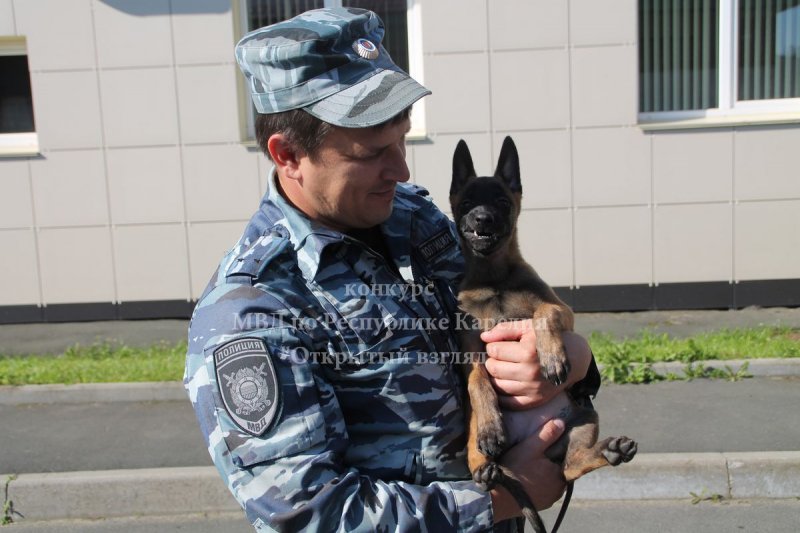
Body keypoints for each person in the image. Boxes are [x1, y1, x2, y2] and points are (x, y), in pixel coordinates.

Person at [184, 7, 596, 532]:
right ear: (288, 154)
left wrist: (574, 360)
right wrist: (498, 501)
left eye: (402, 138)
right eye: (373, 151)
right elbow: (310, 513)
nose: (401, 168)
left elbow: (507, 317)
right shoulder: (253, 308)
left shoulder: (413, 219)